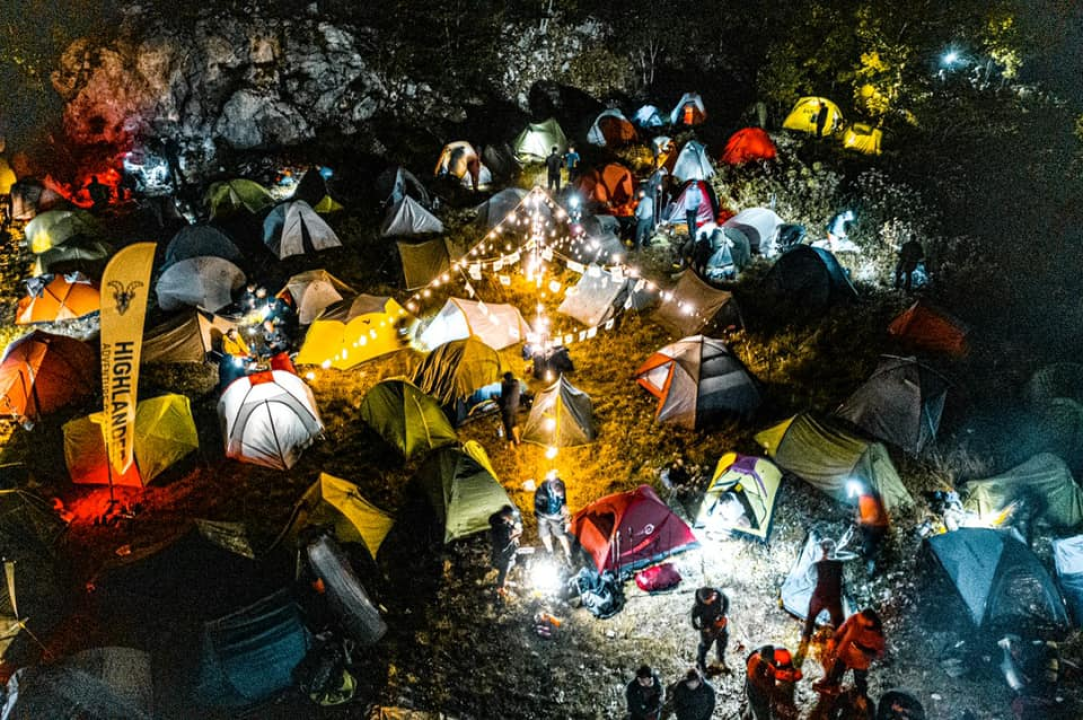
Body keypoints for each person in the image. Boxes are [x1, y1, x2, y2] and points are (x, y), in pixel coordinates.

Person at [796, 539, 846, 666]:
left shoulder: (817, 563)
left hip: (819, 596)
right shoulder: (839, 563)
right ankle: (841, 657)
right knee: (840, 627)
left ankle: (800, 656)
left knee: (810, 621)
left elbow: (810, 577)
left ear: (823, 550)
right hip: (833, 598)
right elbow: (843, 580)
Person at [816, 608, 885, 699]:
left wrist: (863, 649)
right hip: (844, 652)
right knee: (836, 670)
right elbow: (843, 628)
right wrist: (834, 639)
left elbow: (879, 652)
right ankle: (832, 686)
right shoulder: (855, 619)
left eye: (861, 617)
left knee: (859, 680)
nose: (858, 616)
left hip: (860, 661)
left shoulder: (877, 635)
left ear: (869, 622)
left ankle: (863, 697)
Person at [745, 645, 802, 720]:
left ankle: (747, 715)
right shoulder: (757, 671)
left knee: (753, 704)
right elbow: (769, 688)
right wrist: (783, 699)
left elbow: (772, 672)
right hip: (756, 693)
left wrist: (782, 675)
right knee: (762, 714)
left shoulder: (759, 657)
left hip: (754, 686)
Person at [851, 481, 889, 576]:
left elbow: (874, 517)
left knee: (870, 546)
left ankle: (871, 568)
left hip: (878, 526)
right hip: (871, 525)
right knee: (865, 539)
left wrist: (862, 520)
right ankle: (868, 557)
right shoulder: (862, 498)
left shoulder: (870, 498)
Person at [534, 470, 572, 559]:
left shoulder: (560, 484)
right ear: (552, 490)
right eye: (558, 495)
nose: (560, 497)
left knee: (561, 535)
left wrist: (567, 520)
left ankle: (568, 554)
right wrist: (551, 516)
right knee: (545, 535)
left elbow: (564, 504)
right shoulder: (541, 492)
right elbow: (538, 509)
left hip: (557, 517)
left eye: (561, 495)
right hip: (543, 516)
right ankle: (550, 551)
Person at [692, 587, 730, 674]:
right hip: (708, 627)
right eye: (709, 600)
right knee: (705, 645)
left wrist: (724, 613)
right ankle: (700, 662)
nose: (712, 600)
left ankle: (720, 659)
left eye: (713, 597)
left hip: (720, 622)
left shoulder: (718, 594)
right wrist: (704, 628)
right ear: (704, 601)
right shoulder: (697, 608)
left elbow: (726, 601)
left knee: (723, 641)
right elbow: (694, 624)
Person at [488, 505, 522, 597]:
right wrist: (514, 536)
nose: (512, 518)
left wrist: (512, 528)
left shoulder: (497, 518)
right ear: (506, 516)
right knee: (504, 568)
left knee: (509, 564)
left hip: (501, 548)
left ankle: (503, 582)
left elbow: (508, 525)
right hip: (502, 552)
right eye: (510, 516)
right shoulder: (502, 529)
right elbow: (504, 545)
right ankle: (500, 588)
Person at [498, 372, 521, 449]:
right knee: (514, 423)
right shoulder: (516, 384)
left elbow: (505, 400)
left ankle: (511, 447)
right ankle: (517, 441)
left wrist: (497, 399)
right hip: (515, 407)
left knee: (508, 427)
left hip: (508, 410)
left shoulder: (507, 386)